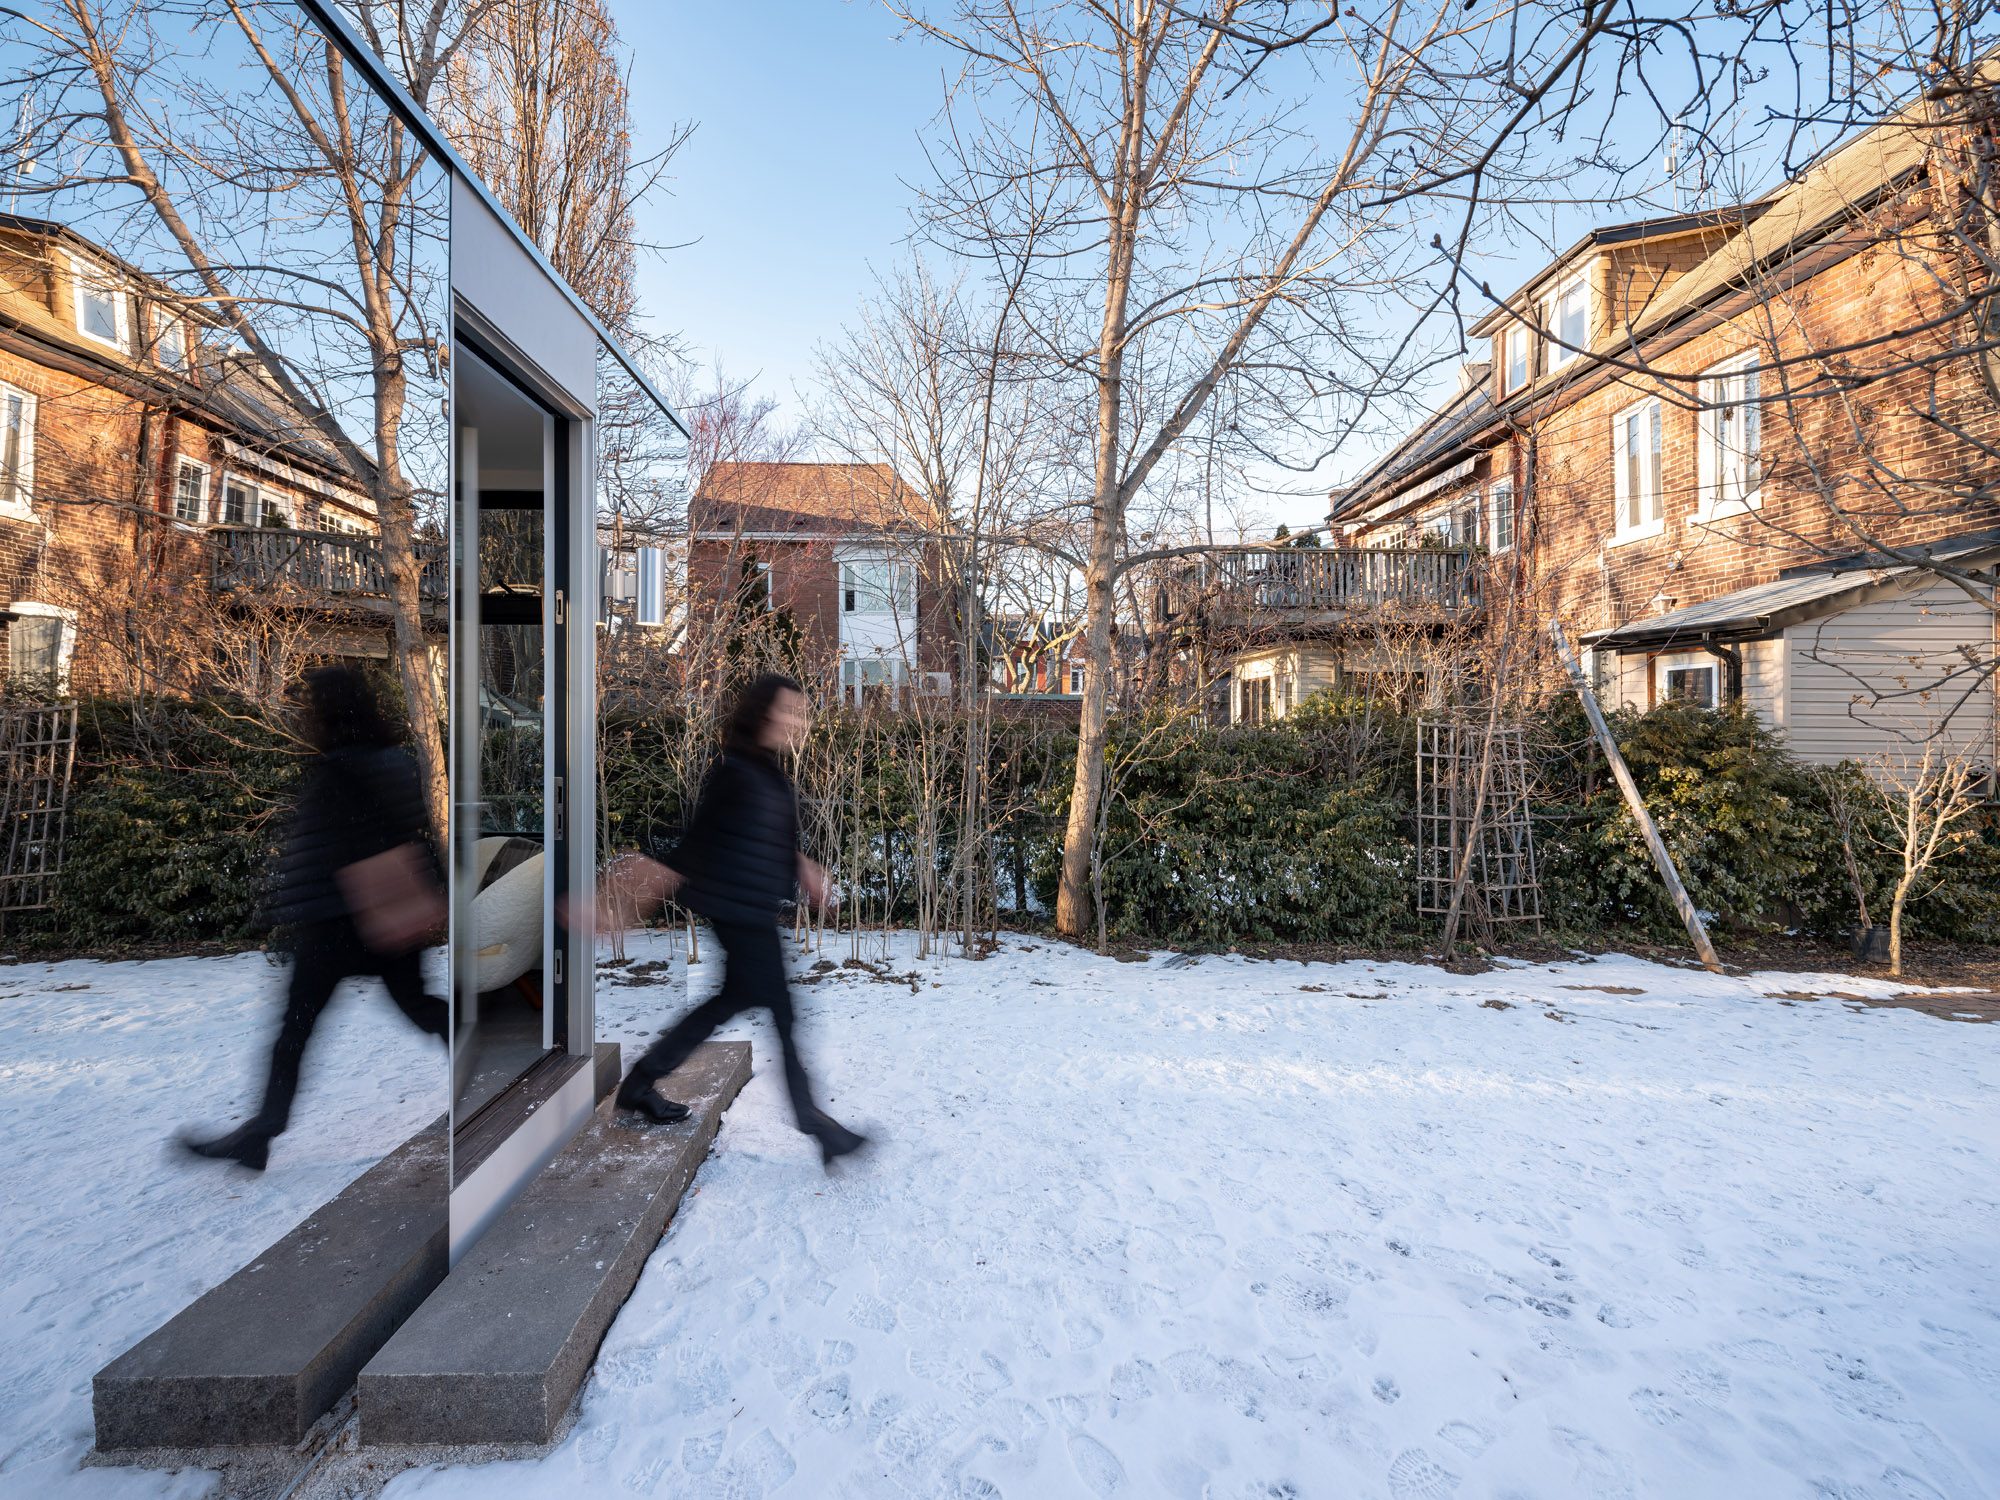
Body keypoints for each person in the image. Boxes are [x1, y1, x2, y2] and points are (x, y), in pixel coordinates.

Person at [181, 666, 447, 1172]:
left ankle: (262, 1130)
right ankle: (488, 1063)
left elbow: (325, 850)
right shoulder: (394, 759)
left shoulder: (336, 768)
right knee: (418, 1008)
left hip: (335, 922)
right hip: (388, 918)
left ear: (324, 711)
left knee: (296, 1027)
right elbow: (412, 833)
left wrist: (289, 900)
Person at [598, 673, 867, 1166]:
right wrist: (635, 893)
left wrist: (802, 866)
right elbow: (695, 845)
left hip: (751, 909)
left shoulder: (767, 771)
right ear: (762, 713)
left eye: (800, 712)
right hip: (738, 913)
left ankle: (639, 1083)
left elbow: (772, 837)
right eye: (789, 711)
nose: (797, 721)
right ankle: (817, 1127)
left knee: (725, 1005)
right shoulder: (734, 771)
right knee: (784, 1017)